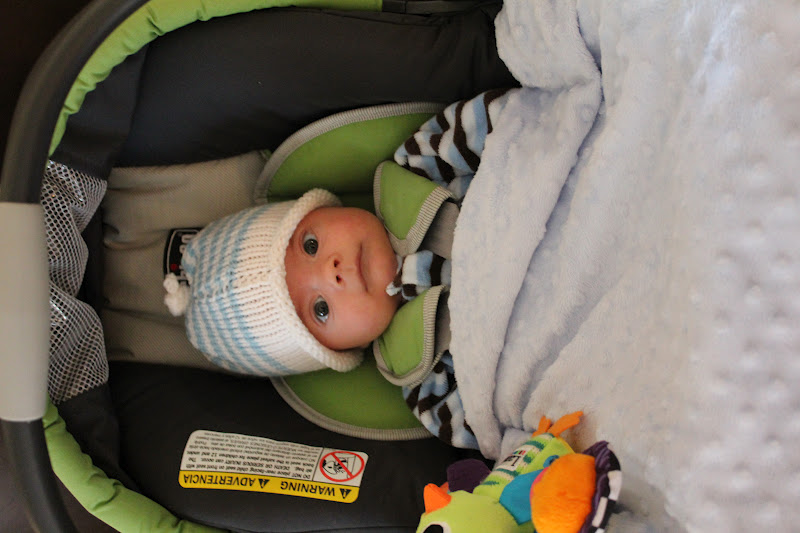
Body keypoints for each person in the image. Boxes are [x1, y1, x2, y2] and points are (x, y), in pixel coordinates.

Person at [164, 88, 514, 449]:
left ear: (324, 209)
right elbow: (503, 424)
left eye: (310, 246)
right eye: (320, 309)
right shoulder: (432, 390)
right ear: (346, 350)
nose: (330, 271)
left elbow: (516, 123)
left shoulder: (424, 161)